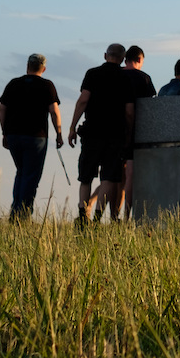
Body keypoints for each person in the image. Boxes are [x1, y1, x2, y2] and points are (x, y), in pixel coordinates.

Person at [0, 53, 64, 220]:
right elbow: (54, 112)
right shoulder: (47, 86)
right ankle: (23, 213)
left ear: (27, 66)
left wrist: (5, 132)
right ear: (44, 69)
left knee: (21, 172)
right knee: (31, 174)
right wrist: (59, 133)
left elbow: (1, 109)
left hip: (13, 135)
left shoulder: (13, 84)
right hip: (36, 136)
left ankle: (15, 210)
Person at [69, 44, 130, 224]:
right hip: (115, 133)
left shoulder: (92, 74)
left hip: (92, 131)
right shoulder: (125, 78)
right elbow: (129, 111)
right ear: (122, 59)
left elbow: (83, 101)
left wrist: (72, 127)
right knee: (109, 177)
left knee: (86, 175)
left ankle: (82, 213)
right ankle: (97, 216)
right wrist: (129, 132)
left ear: (105, 56)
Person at [120, 46, 158, 218]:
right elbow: (151, 106)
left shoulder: (116, 75)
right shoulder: (144, 78)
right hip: (134, 131)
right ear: (140, 59)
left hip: (109, 130)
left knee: (111, 176)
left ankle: (110, 214)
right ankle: (127, 214)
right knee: (130, 175)